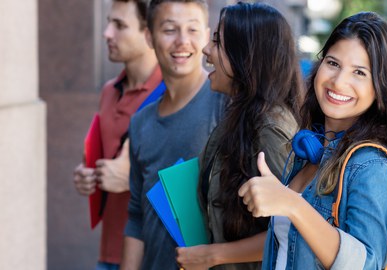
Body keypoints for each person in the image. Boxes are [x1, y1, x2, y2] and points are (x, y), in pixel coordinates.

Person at [238, 12, 387, 269]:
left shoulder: (372, 166)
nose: (339, 82)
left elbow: (367, 265)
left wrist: (291, 203)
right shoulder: (309, 149)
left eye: (359, 72)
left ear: (380, 86)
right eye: (333, 63)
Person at [175, 2, 303, 269]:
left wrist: (213, 256)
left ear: (247, 56)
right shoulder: (240, 115)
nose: (206, 50)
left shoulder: (272, 128)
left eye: (218, 42)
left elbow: (296, 228)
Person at [121, 0, 225, 269]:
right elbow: (135, 215)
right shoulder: (141, 122)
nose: (182, 41)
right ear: (149, 36)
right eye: (169, 30)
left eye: (192, 30)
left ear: (205, 35)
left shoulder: (226, 105)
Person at [72, 0, 161, 269]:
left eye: (119, 25)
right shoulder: (109, 90)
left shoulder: (173, 95)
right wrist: (86, 175)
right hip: (107, 252)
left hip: (151, 256)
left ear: (149, 33)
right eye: (109, 22)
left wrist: (132, 179)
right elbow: (102, 152)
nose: (107, 33)